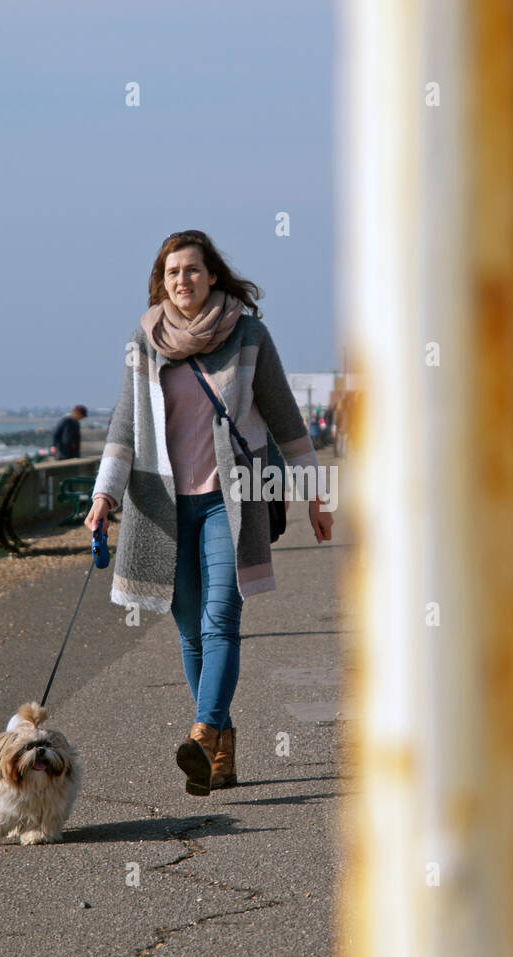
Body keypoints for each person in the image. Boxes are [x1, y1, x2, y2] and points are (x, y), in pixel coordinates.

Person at [86, 230, 334, 796]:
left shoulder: (247, 335)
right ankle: (221, 747)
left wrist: (318, 494)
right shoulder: (145, 341)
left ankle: (201, 736)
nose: (183, 281)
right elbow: (124, 428)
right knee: (191, 632)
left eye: (193, 270)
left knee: (221, 618)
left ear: (213, 274)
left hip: (232, 499)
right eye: (173, 273)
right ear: (162, 281)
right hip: (165, 507)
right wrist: (104, 497)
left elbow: (286, 419)